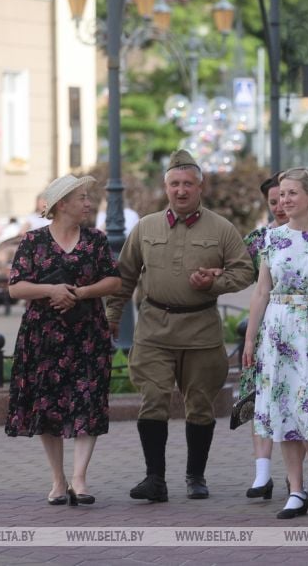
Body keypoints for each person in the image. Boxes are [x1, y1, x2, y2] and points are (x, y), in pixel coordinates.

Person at [105, 149, 253, 502]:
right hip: (155, 327)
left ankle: (195, 476)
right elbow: (123, 276)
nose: (181, 191)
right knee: (153, 399)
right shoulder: (146, 227)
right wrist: (112, 317)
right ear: (165, 187)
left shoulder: (221, 229)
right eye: (175, 184)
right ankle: (154, 478)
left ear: (201, 187)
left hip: (201, 331)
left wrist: (213, 284)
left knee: (200, 405)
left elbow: (245, 270)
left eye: (188, 184)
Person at [4, 174, 122, 506]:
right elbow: (15, 287)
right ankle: (58, 480)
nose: (88, 203)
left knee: (88, 400)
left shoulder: (96, 240)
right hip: (43, 336)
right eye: (82, 198)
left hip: (87, 334)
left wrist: (80, 293)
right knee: (48, 406)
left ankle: (80, 479)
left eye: (88, 197)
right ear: (61, 205)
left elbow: (114, 281)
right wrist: (51, 290)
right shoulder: (33, 241)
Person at [243, 167, 308, 519]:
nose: (285, 200)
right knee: (284, 405)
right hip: (278, 328)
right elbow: (261, 291)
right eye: (282, 194)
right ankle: (295, 489)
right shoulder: (271, 240)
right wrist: (250, 339)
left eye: (292, 193)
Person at [240, 173, 288, 499]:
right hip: (264, 330)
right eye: (273, 202)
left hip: (300, 331)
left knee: (295, 403)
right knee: (261, 401)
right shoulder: (257, 239)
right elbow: (238, 273)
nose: (280, 206)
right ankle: (262, 474)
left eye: (284, 198)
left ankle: (297, 476)